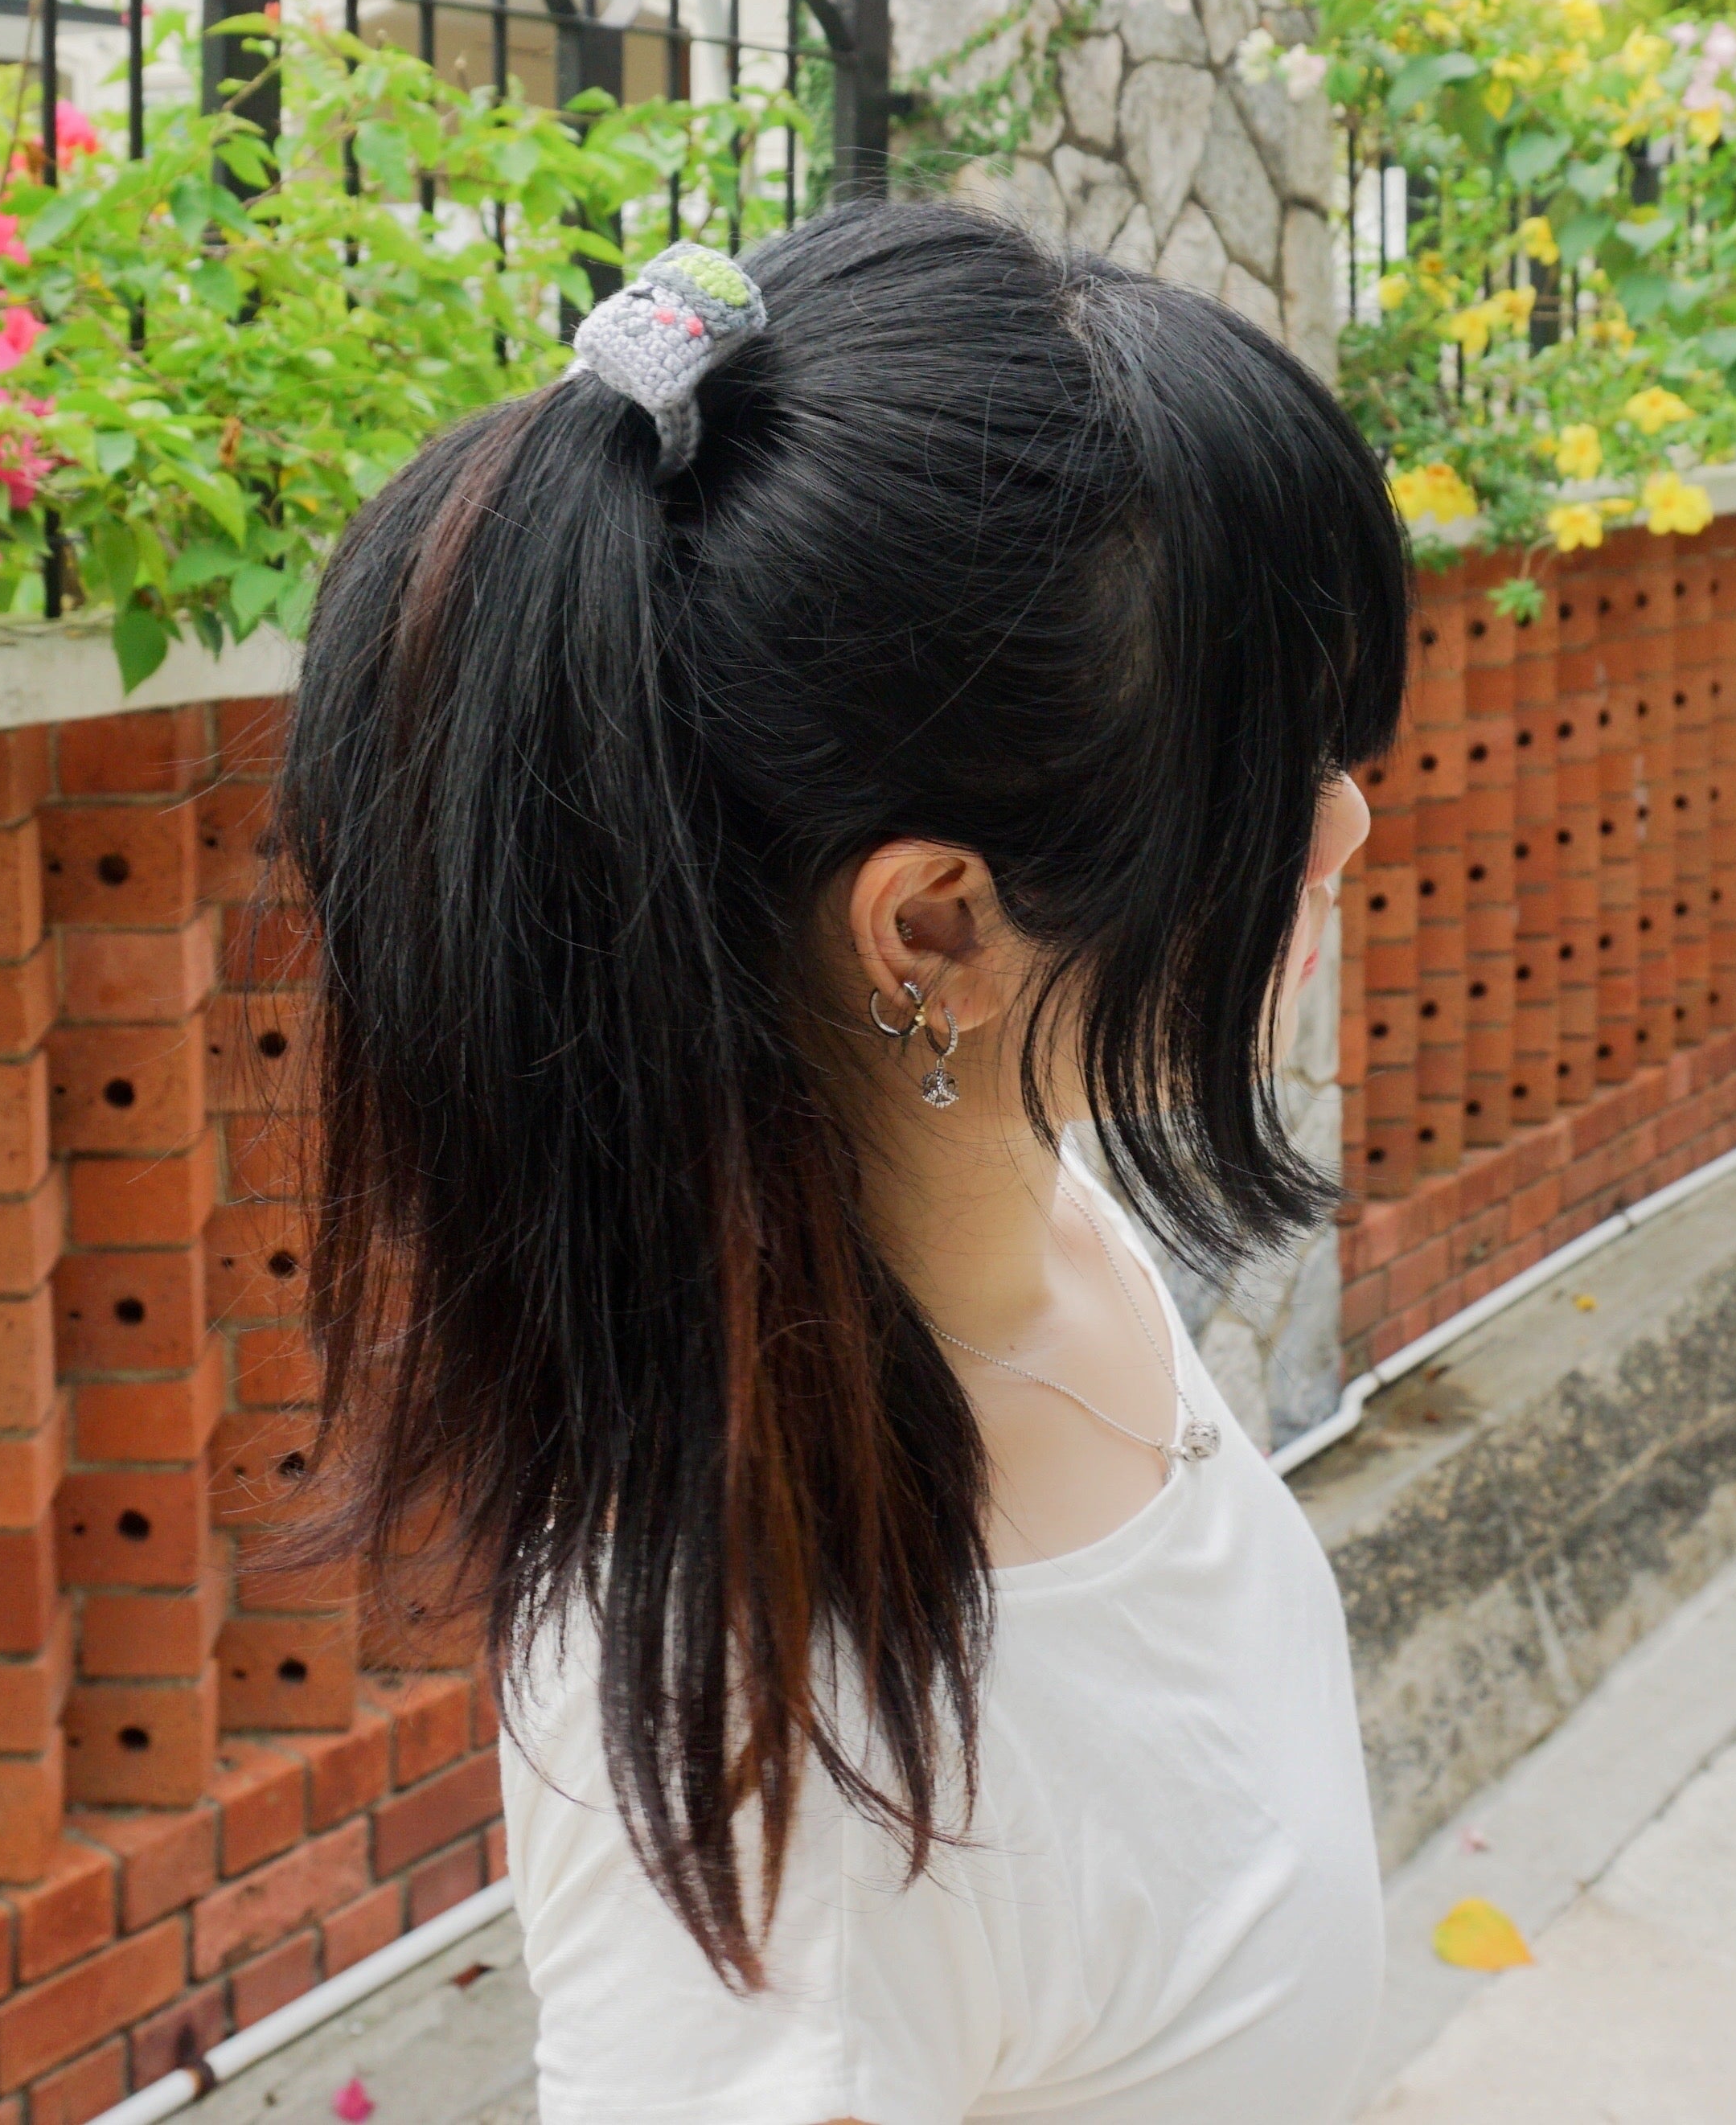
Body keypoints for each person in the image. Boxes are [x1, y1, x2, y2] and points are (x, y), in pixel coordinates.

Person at [275, 203, 1409, 2123]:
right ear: (934, 932)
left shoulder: (1062, 1231)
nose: (1349, 820)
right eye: (1271, 772)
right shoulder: (780, 1768)